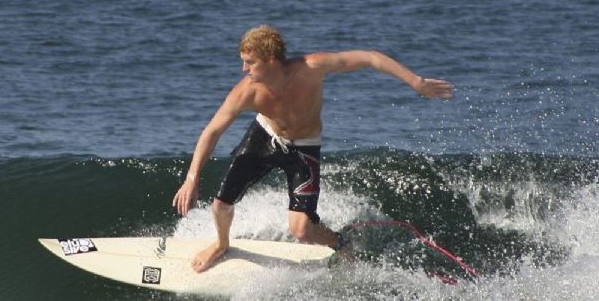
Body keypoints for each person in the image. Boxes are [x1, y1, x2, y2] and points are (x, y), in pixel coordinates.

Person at [172, 24, 454, 272]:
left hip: (304, 147)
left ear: (271, 60)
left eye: (250, 62)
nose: (244, 69)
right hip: (264, 137)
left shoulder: (312, 68)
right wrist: (191, 178)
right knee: (221, 205)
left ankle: (341, 243)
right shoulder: (246, 91)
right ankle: (221, 243)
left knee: (302, 230)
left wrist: (416, 82)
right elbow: (212, 131)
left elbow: (370, 58)